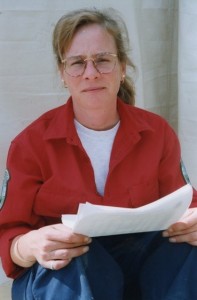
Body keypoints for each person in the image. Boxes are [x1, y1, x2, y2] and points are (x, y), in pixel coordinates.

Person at [0, 7, 197, 300]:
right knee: (69, 258)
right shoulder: (31, 145)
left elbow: (185, 204)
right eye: (77, 63)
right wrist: (29, 244)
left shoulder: (157, 134)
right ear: (63, 73)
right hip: (66, 275)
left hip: (141, 265)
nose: (91, 74)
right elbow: (9, 233)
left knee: (187, 251)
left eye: (103, 60)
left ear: (122, 68)